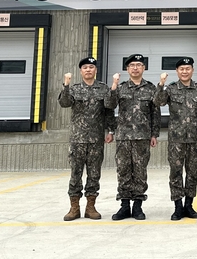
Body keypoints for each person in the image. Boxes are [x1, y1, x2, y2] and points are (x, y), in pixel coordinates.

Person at [58, 56, 115, 221]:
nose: (88, 70)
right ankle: (74, 208)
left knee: (94, 174)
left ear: (96, 70)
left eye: (91, 67)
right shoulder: (74, 89)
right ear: (81, 71)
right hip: (78, 139)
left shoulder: (103, 89)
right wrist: (66, 85)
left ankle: (91, 207)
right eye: (85, 68)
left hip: (96, 139)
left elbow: (109, 111)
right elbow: (65, 103)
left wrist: (110, 131)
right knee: (75, 174)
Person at [154, 57, 197, 221]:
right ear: (177, 72)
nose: (185, 71)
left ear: (192, 70)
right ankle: (178, 206)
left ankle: (189, 205)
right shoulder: (171, 89)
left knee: (192, 173)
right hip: (176, 140)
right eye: (181, 69)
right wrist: (160, 84)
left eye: (187, 68)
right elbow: (158, 102)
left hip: (194, 138)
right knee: (176, 173)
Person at [106, 53, 161, 221]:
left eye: (138, 65)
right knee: (123, 170)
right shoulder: (121, 87)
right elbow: (109, 105)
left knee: (140, 171)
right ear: (127, 69)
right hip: (123, 136)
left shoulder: (151, 88)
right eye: (132, 65)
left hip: (143, 137)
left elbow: (155, 112)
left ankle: (137, 206)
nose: (135, 68)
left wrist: (154, 134)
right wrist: (114, 85)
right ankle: (124, 205)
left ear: (143, 68)